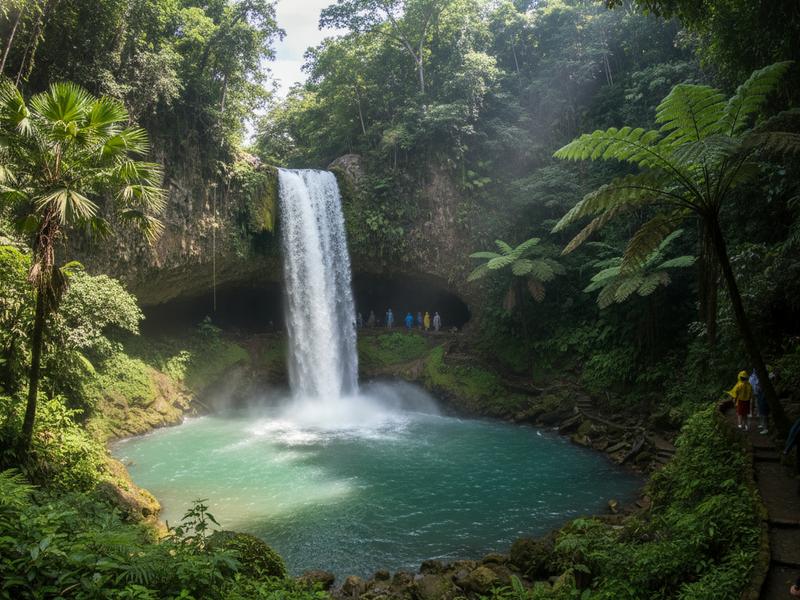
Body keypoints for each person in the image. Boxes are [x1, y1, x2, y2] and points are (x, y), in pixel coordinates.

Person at [749, 369, 768, 434]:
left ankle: (765, 428)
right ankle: (762, 424)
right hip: (758, 394)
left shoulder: (762, 378)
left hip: (762, 395)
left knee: (763, 412)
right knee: (760, 410)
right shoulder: (753, 377)